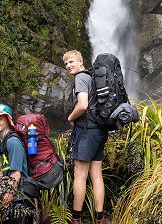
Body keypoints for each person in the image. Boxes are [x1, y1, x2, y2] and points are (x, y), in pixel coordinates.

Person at [63, 50, 107, 224]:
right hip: (99, 131)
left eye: (71, 61)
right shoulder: (92, 78)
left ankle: (76, 218)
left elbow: (82, 105)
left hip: (87, 132)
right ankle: (100, 218)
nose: (68, 65)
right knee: (96, 175)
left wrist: (70, 118)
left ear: (81, 61)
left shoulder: (81, 78)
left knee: (79, 175)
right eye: (66, 63)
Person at [0, 104, 33, 224]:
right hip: (15, 198)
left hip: (21, 200)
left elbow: (16, 174)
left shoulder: (13, 142)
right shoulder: (2, 142)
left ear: (8, 120)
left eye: (0, 118)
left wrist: (5, 200)